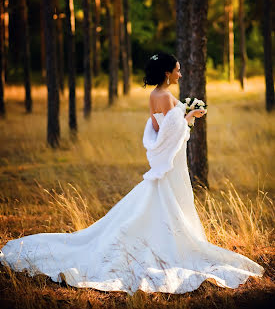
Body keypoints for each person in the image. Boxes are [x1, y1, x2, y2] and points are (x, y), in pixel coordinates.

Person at [0, 52, 264, 295]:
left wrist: (183, 117)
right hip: (172, 165)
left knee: (159, 202)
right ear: (167, 74)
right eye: (177, 70)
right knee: (168, 202)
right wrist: (190, 116)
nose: (180, 75)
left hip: (170, 162)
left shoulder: (154, 97)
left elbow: (156, 128)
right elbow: (171, 133)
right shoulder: (167, 98)